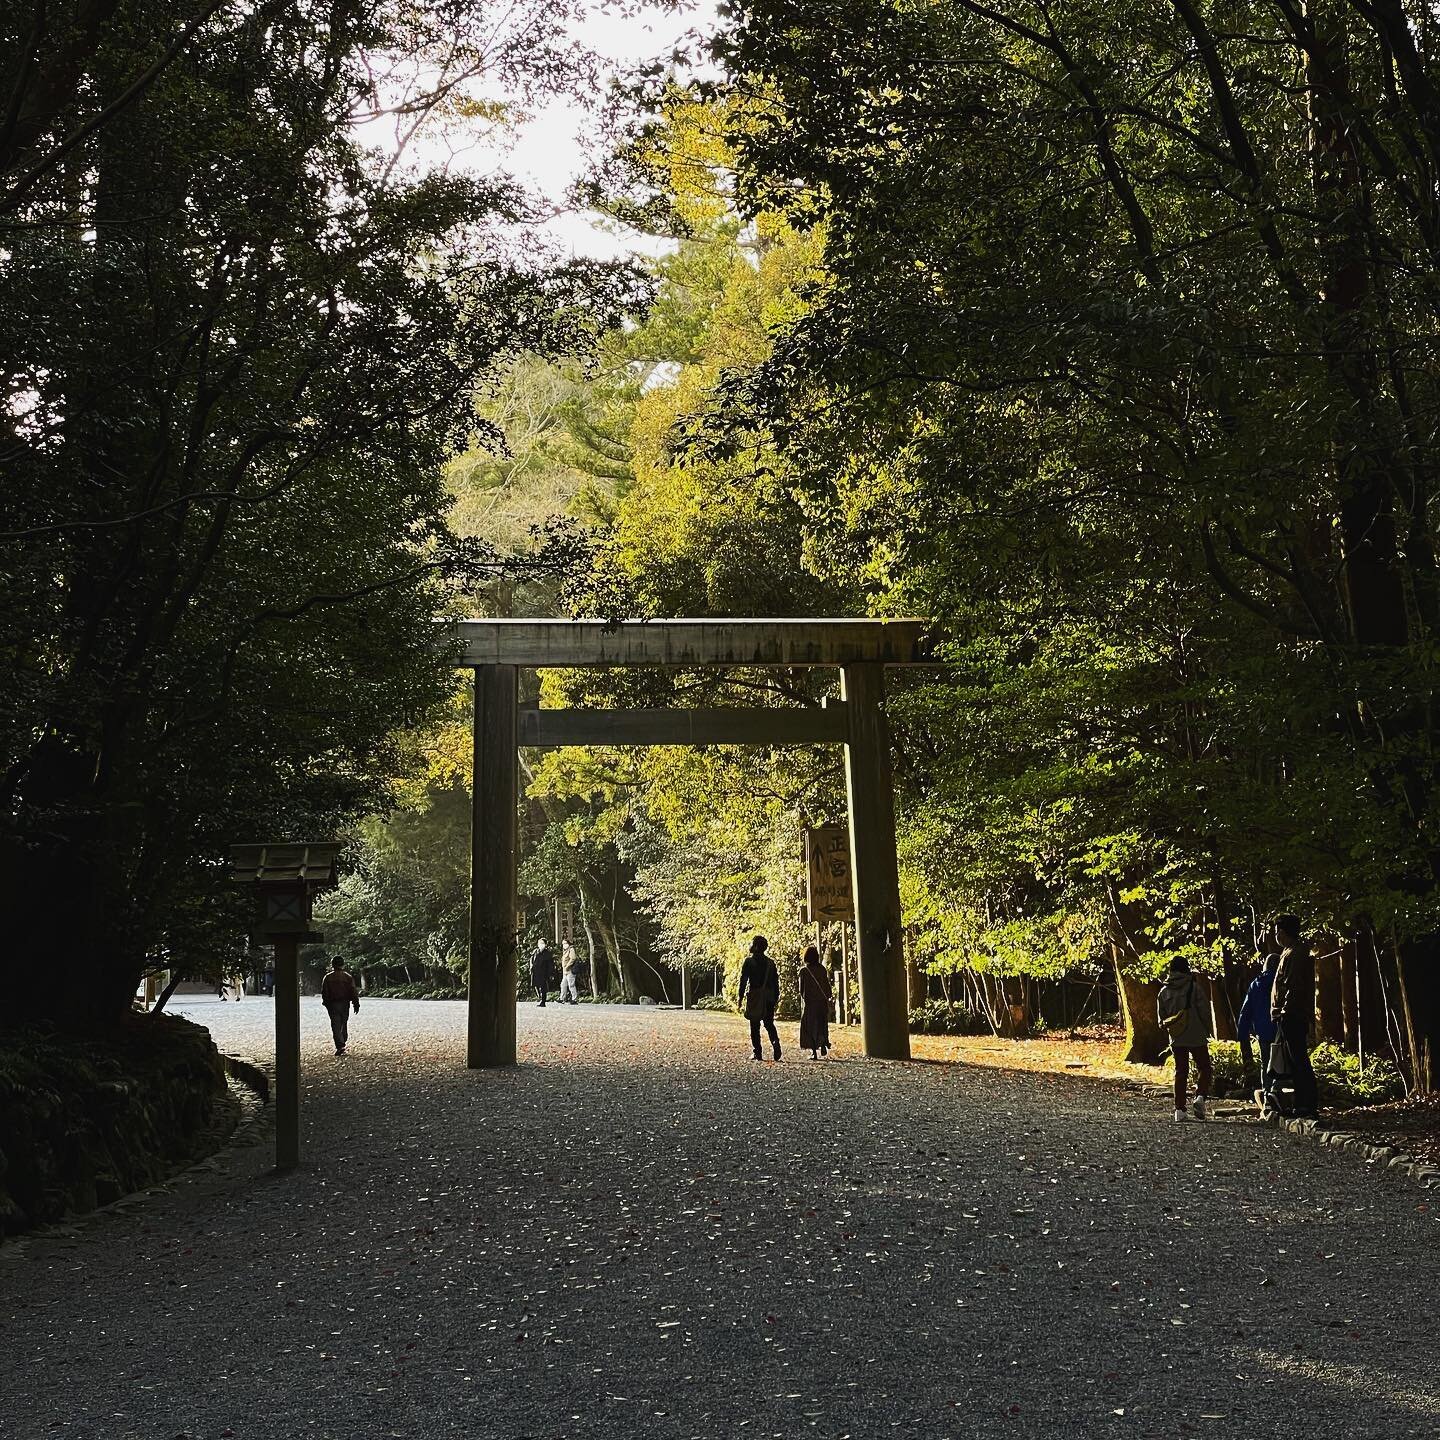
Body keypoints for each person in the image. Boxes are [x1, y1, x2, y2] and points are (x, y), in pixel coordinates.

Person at [1269, 914, 1318, 1118]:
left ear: (1282, 932)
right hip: (1289, 1014)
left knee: (1299, 1061)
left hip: (1292, 1015)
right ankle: (1301, 1103)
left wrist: (1284, 1011)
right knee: (1294, 1060)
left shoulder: (1295, 953)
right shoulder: (1289, 952)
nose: (1275, 935)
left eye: (1276, 931)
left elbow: (1293, 986)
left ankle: (1306, 1104)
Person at [1156, 956, 1212, 1122]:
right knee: (1205, 1067)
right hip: (1196, 1035)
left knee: (1181, 1071)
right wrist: (1208, 1029)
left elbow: (1161, 1020)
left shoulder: (1163, 992)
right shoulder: (1194, 988)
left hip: (1176, 1036)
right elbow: (1204, 1012)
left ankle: (1179, 1110)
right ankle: (1200, 1097)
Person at [1238, 950, 1280, 1106]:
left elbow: (1246, 1010)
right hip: (1282, 1030)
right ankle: (1278, 1092)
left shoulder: (1256, 984)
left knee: (1266, 1063)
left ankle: (1268, 1094)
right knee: (1284, 1062)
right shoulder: (1282, 981)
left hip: (1263, 1031)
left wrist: (1242, 1032)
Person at [738, 935, 782, 1062]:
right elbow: (775, 982)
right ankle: (775, 1042)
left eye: (751, 943)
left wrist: (740, 997)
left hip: (755, 995)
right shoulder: (770, 963)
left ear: (756, 947)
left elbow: (743, 981)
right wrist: (776, 997)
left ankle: (757, 1052)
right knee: (769, 1023)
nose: (750, 946)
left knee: (754, 1025)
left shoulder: (749, 962)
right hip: (768, 996)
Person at [321, 956, 360, 1056]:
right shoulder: (348, 977)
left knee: (335, 1024)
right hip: (344, 1003)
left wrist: (326, 1003)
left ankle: (340, 1044)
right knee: (344, 1022)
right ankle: (343, 1040)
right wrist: (356, 1003)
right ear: (343, 964)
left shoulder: (328, 977)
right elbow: (353, 991)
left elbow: (324, 992)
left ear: (332, 965)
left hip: (333, 1004)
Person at [798, 945, 832, 1060]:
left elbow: (801, 989)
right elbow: (826, 985)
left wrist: (805, 999)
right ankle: (823, 1043)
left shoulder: (804, 971)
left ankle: (814, 1051)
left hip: (810, 1003)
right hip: (822, 1002)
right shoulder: (822, 969)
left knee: (810, 1026)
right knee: (822, 1024)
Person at [532, 937, 555, 1007]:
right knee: (535, 985)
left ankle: (543, 1001)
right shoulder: (536, 952)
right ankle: (540, 997)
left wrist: (550, 973)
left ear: (545, 944)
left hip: (544, 973)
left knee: (543, 987)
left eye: (542, 943)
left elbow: (550, 964)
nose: (541, 944)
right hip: (536, 972)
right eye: (539, 943)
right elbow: (533, 960)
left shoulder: (547, 953)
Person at [559, 940, 580, 1004]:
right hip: (565, 971)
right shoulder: (565, 951)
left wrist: (567, 966)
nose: (564, 945)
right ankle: (562, 998)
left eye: (565, 943)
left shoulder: (571, 949)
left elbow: (573, 958)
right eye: (563, 944)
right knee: (563, 984)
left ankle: (574, 999)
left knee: (571, 985)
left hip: (570, 970)